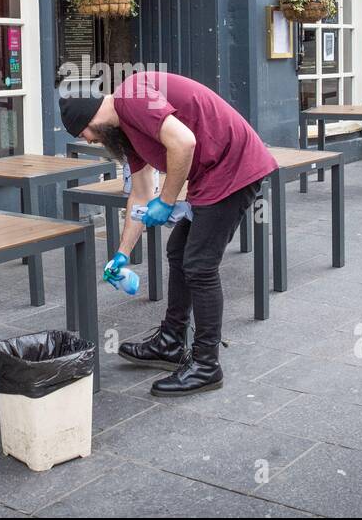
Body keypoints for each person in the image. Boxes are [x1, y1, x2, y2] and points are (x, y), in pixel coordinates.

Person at [60, 70, 276, 396]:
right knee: (178, 249)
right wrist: (121, 254)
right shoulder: (126, 132)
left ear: (90, 119)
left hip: (234, 166)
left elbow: (184, 142)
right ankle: (172, 341)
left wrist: (168, 199)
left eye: (85, 133)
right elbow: (140, 193)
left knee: (200, 265)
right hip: (213, 172)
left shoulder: (131, 96)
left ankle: (206, 365)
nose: (90, 141)